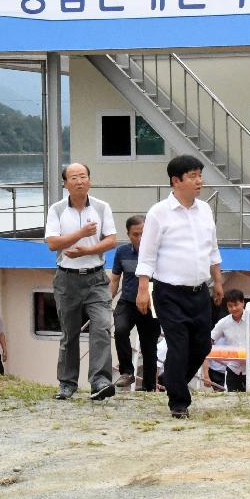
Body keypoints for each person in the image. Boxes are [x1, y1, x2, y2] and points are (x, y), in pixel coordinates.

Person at [136, 155, 224, 418]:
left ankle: (173, 380)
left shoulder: (205, 210)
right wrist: (143, 289)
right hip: (169, 292)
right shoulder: (158, 213)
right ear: (176, 181)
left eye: (200, 175)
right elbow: (147, 254)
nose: (199, 181)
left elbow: (213, 249)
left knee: (202, 345)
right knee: (178, 344)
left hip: (199, 291)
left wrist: (218, 280)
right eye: (193, 176)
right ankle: (179, 402)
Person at [46, 163, 117, 401]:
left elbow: (111, 240)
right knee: (70, 333)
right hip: (67, 279)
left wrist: (88, 251)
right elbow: (53, 243)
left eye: (83, 176)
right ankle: (67, 383)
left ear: (90, 180)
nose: (79, 181)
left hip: (97, 277)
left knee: (102, 326)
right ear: (65, 183)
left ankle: (100, 380)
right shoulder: (56, 210)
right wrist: (81, 235)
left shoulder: (101, 207)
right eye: (74, 178)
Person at [110, 215, 160, 391]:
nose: (140, 238)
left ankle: (149, 388)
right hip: (127, 301)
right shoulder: (121, 252)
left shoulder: (158, 252)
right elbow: (115, 279)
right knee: (120, 330)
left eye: (143, 234)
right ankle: (127, 372)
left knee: (149, 348)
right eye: (135, 234)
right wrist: (108, 299)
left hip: (152, 303)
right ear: (128, 234)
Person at [209, 289, 250, 392]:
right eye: (230, 306)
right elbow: (210, 339)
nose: (233, 308)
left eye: (236, 305)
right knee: (232, 400)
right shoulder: (223, 322)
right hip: (232, 368)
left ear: (243, 303)